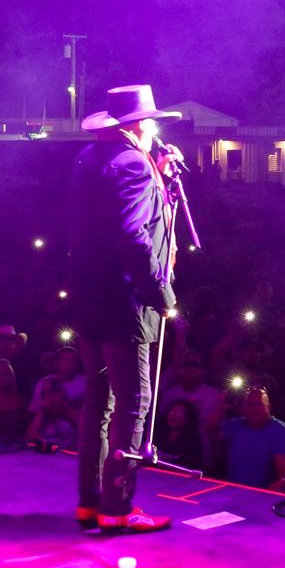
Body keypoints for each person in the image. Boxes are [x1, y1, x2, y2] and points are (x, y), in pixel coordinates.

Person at [66, 84, 180, 535]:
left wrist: (157, 174)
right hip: (124, 302)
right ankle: (117, 508)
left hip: (89, 297)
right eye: (150, 122)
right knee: (133, 402)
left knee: (98, 402)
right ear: (138, 125)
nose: (154, 130)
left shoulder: (89, 159)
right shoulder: (134, 164)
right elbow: (133, 236)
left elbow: (110, 214)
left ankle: (90, 503)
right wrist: (160, 294)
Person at [218, 387, 285, 488]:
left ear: (269, 407)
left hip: (261, 492)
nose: (254, 409)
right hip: (231, 489)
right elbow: (209, 432)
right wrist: (221, 408)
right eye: (250, 405)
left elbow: (282, 473)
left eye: (259, 405)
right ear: (243, 408)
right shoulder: (236, 425)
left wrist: (278, 485)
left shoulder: (280, 430)